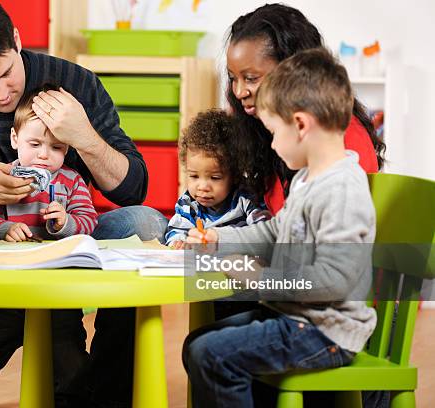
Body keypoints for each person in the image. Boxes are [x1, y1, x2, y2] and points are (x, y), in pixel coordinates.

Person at [0, 1, 168, 406]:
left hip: (61, 240)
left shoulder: (73, 83)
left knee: (149, 226)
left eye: (7, 73)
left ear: (16, 39)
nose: (1, 93)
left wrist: (82, 135)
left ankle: (102, 388)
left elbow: (133, 189)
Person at [183, 48, 378, 408]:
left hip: (326, 331)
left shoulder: (341, 190)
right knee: (197, 344)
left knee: (212, 354)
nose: (271, 143)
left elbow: (333, 281)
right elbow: (274, 233)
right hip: (299, 318)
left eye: (273, 131)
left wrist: (260, 278)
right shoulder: (309, 178)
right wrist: (220, 238)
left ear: (301, 125)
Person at [223, 3, 385, 215]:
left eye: (251, 78)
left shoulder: (341, 146)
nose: (239, 91)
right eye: (233, 79)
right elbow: (277, 227)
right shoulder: (270, 138)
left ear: (292, 70)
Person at [0, 84, 98, 241]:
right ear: (15, 138)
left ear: (67, 147)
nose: (43, 155)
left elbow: (89, 220)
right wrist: (5, 230)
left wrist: (66, 223)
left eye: (56, 147)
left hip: (59, 254)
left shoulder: (73, 181)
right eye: (34, 144)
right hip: (14, 255)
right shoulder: (3, 177)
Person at [165, 109, 270, 249]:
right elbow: (176, 230)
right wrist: (178, 242)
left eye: (214, 178)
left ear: (236, 175)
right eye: (194, 176)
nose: (202, 187)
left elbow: (262, 232)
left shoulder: (246, 198)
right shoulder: (188, 203)